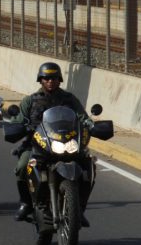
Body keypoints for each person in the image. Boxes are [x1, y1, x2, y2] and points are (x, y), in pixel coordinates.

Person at [12, 62, 89, 225]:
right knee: (22, 166)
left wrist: (90, 124)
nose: (50, 81)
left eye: (54, 78)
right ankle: (25, 203)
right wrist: (18, 125)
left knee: (88, 166)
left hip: (67, 144)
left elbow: (83, 117)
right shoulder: (30, 100)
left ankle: (79, 208)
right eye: (46, 78)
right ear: (41, 80)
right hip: (37, 145)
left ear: (59, 79)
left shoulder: (69, 99)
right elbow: (18, 120)